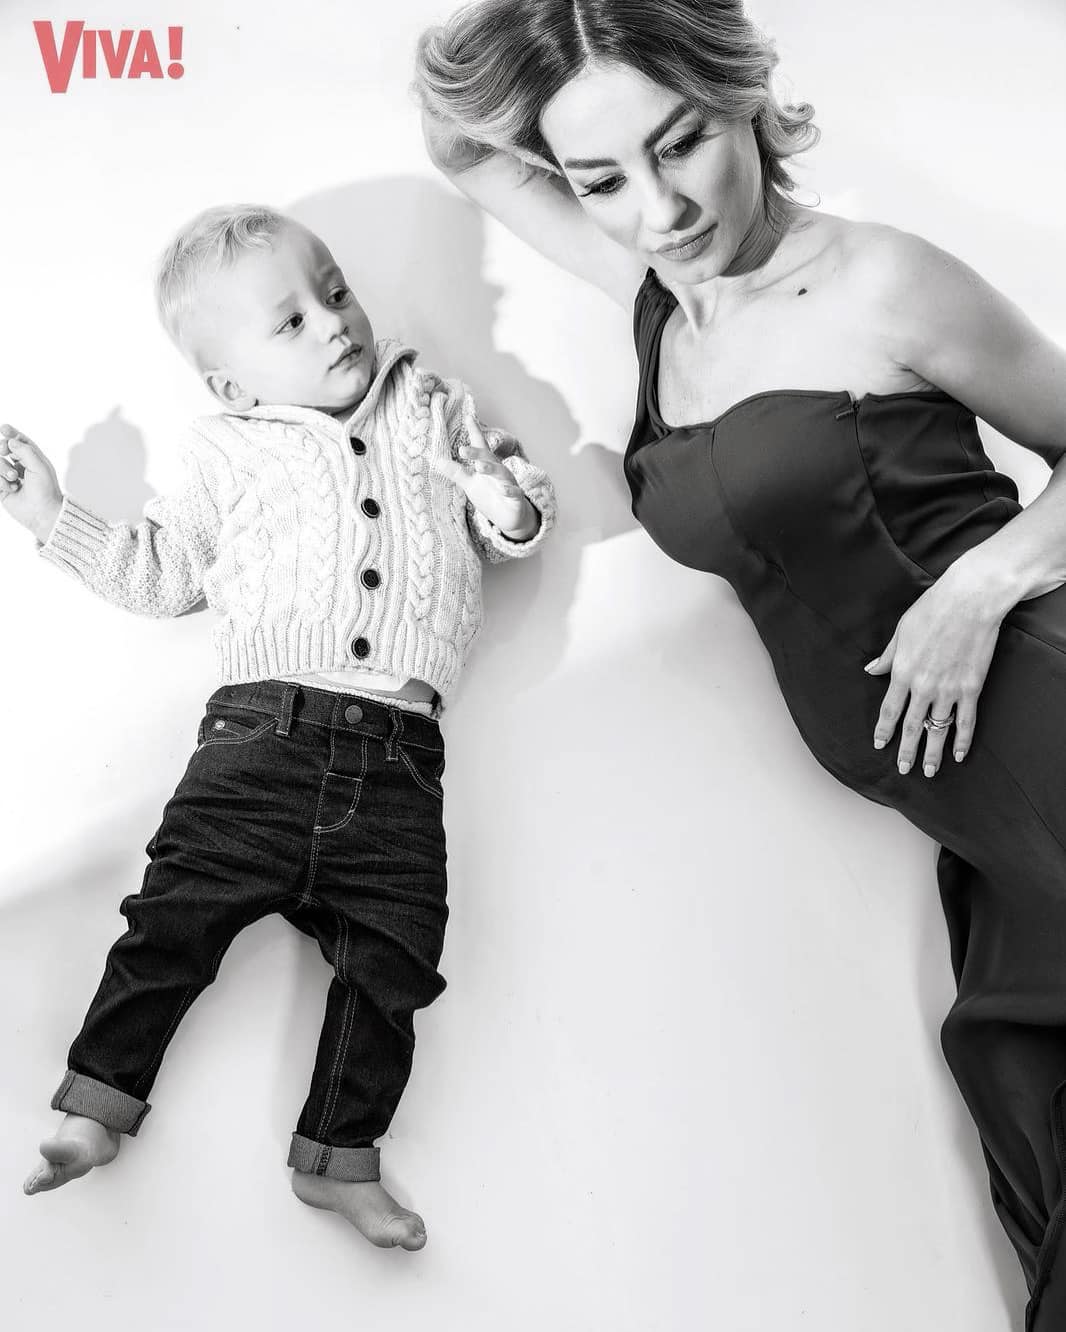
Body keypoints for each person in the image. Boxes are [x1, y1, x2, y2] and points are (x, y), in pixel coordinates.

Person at [414, 0, 1066, 1323]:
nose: (657, 208)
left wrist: (979, 585)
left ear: (743, 99)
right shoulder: (662, 297)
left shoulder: (879, 281)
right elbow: (460, 143)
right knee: (1031, 1115)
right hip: (981, 822)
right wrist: (555, 36)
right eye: (600, 178)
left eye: (681, 144)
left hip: (1044, 725)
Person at [0, 203, 556, 1250]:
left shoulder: (432, 405)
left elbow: (514, 520)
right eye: (290, 322)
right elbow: (164, 576)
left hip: (401, 758)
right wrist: (50, 515)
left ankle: (339, 1157)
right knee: (171, 924)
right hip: (259, 741)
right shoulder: (226, 451)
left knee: (397, 963)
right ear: (231, 386)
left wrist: (499, 493)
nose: (334, 321)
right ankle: (95, 1107)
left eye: (335, 292)